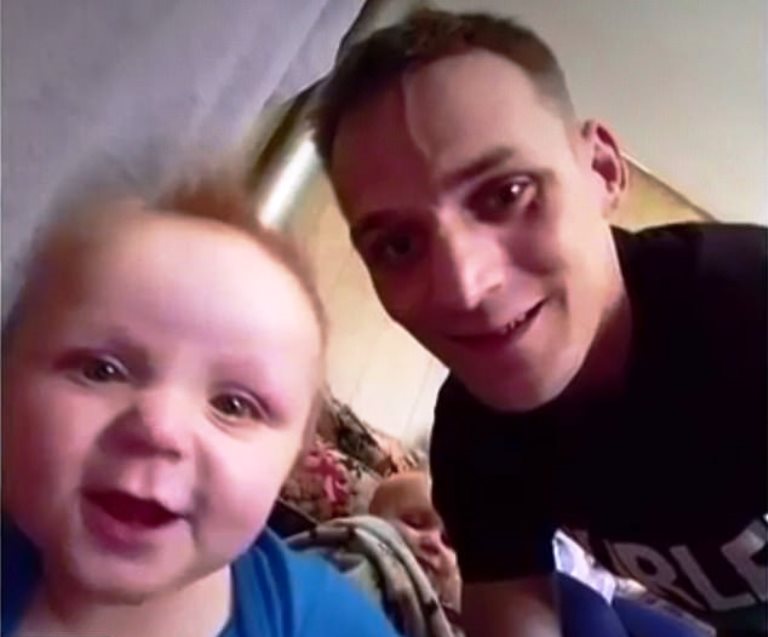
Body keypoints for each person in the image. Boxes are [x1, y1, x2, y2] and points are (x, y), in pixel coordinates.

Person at [314, 8, 767, 637]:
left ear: (602, 170)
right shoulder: (476, 443)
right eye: (397, 245)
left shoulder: (750, 305)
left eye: (507, 194)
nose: (466, 286)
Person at [1, 175, 400, 637]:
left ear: (293, 464)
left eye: (233, 406)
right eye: (101, 370)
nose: (160, 427)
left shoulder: (330, 625)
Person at [370, 471, 710, 637]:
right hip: (575, 601)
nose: (432, 542)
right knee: (595, 618)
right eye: (414, 523)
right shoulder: (371, 566)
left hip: (598, 588)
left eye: (449, 540)